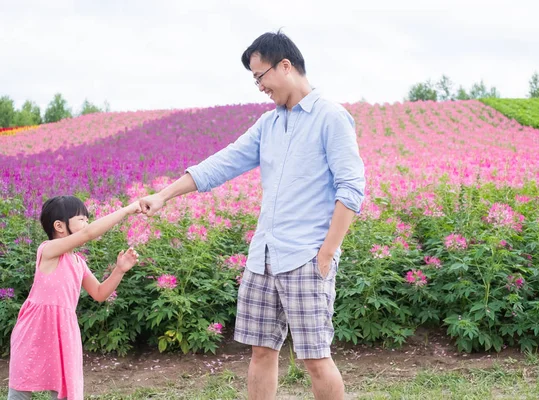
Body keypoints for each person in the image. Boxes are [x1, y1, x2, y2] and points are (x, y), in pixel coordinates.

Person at [139, 30, 365, 400]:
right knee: (261, 351)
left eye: (260, 76)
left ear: (286, 66)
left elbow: (352, 190)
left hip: (306, 257)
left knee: (315, 357)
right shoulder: (269, 124)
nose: (259, 86)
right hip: (263, 257)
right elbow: (221, 164)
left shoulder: (331, 118)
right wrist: (163, 195)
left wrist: (326, 254)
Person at [8, 195, 141, 400]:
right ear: (60, 226)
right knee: (21, 390)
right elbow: (88, 234)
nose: (87, 224)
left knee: (66, 389)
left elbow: (99, 293)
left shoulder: (78, 262)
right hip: (34, 329)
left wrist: (120, 270)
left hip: (64, 330)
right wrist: (125, 210)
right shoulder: (48, 250)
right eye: (81, 219)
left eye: (88, 220)